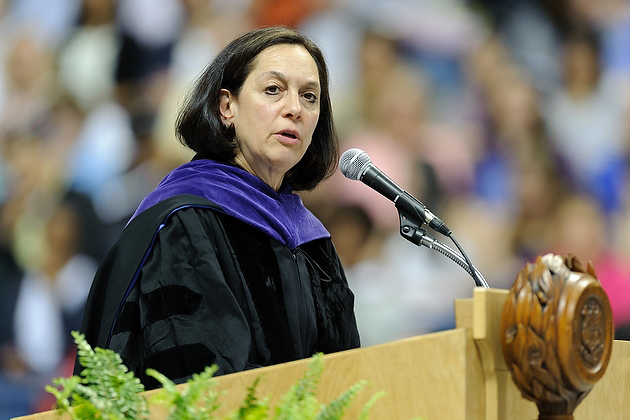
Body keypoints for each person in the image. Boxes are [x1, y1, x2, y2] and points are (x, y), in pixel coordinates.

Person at [76, 26, 360, 389]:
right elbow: (194, 381)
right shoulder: (185, 224)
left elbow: (347, 379)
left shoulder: (312, 242)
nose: (294, 109)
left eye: (309, 96)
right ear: (227, 106)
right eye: (273, 90)